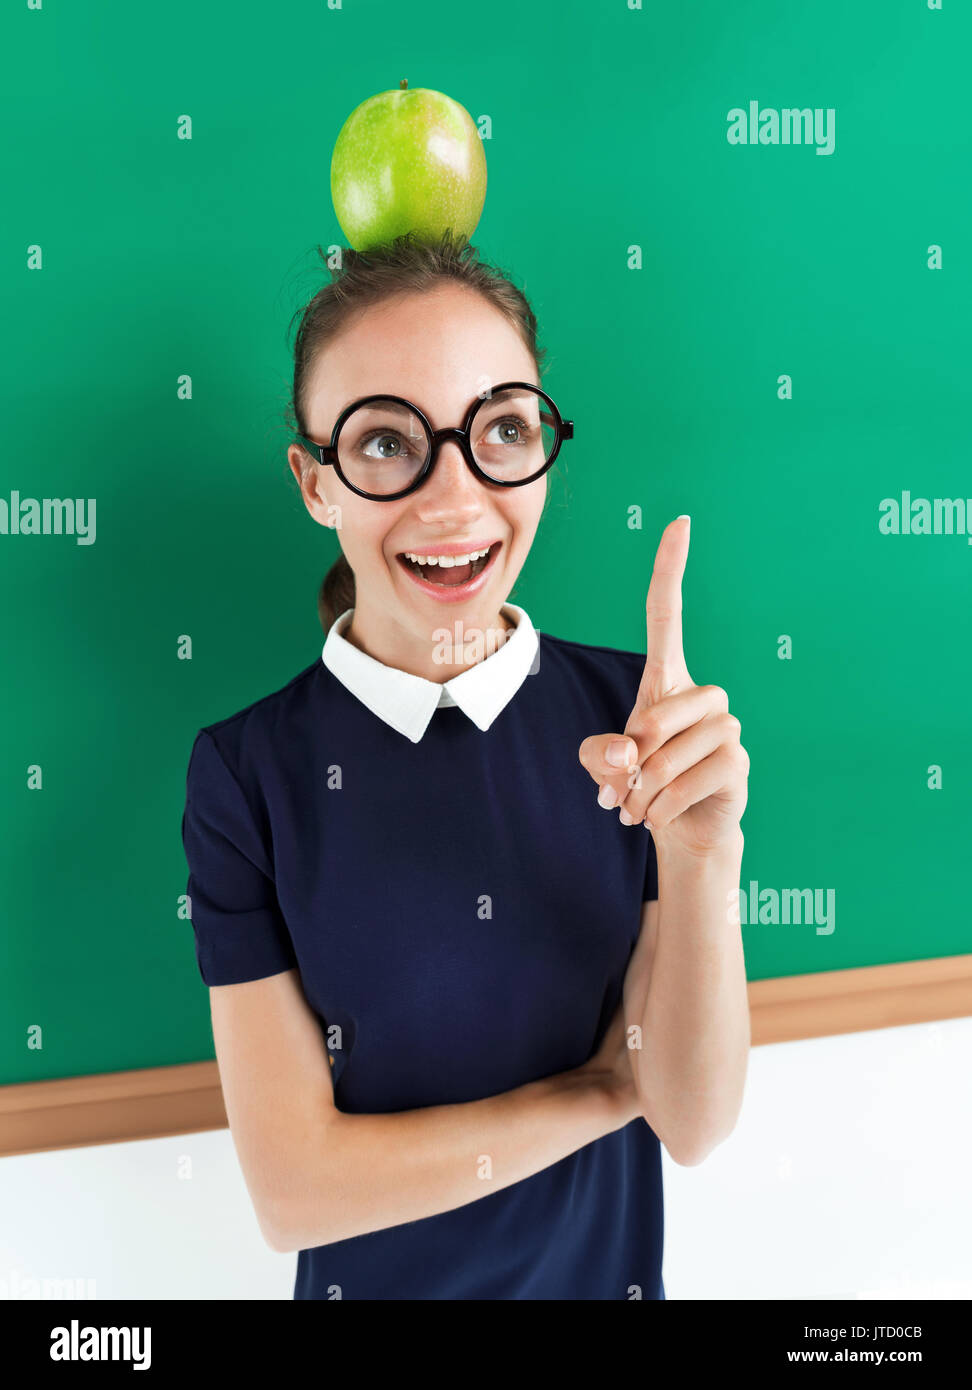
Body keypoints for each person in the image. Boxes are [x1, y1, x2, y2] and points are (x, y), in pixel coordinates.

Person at [181, 230, 750, 1300]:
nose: (455, 501)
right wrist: (595, 1092)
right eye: (388, 442)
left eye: (500, 430)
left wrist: (703, 858)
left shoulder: (636, 720)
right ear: (315, 483)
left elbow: (695, 1118)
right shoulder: (248, 777)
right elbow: (295, 1192)